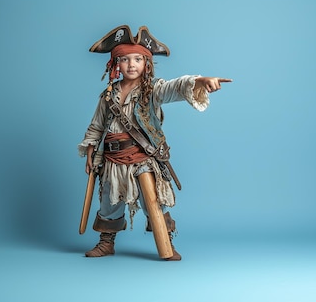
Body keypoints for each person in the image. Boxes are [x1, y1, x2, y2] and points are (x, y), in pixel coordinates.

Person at [78, 25, 231, 261]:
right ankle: (106, 242)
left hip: (143, 157)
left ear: (146, 63)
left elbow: (176, 87)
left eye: (137, 59)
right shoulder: (108, 95)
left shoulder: (153, 90)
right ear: (115, 64)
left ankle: (166, 241)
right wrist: (90, 150)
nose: (131, 64)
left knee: (154, 202)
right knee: (109, 201)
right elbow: (97, 125)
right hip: (112, 160)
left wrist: (200, 81)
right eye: (125, 59)